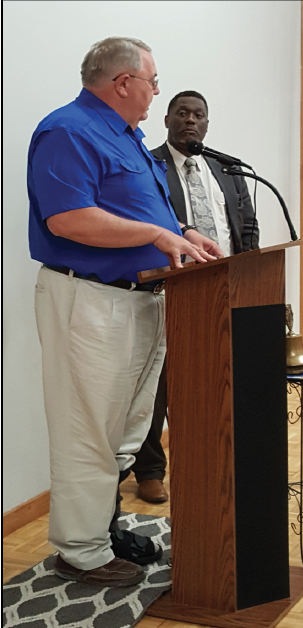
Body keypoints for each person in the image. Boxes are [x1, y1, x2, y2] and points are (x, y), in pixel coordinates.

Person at [28, 38, 222, 588]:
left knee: (124, 432)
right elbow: (69, 219)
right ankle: (80, 551)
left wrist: (181, 232)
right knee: (87, 430)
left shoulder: (128, 137)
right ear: (121, 83)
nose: (156, 90)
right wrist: (159, 233)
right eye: (153, 81)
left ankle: (104, 530)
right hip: (90, 300)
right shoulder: (68, 130)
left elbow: (139, 211)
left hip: (140, 300)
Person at [128, 90, 260, 504]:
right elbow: (144, 220)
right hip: (170, 289)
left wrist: (249, 275)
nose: (190, 120)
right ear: (166, 119)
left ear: (207, 123)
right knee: (161, 384)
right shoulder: (148, 164)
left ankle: (214, 455)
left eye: (198, 115)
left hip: (225, 291)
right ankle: (150, 469)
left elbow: (246, 226)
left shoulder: (225, 167)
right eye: (182, 113)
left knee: (217, 377)